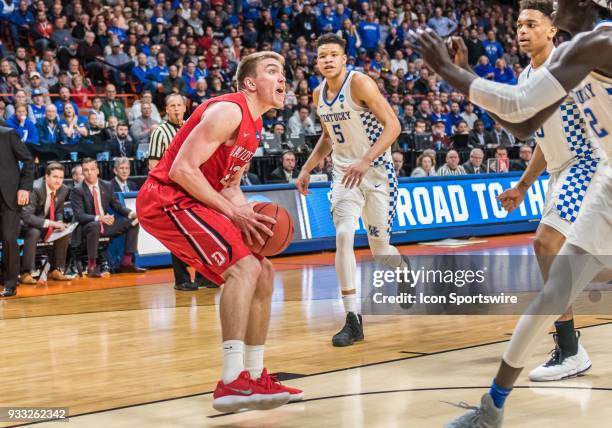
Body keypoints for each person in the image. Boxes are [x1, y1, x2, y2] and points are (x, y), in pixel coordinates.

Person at [411, 1, 612, 426]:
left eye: (556, 6)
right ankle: (493, 407)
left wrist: (451, 72)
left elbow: (520, 109)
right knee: (554, 288)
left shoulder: (600, 42)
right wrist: (465, 77)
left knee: (551, 253)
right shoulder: (566, 57)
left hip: (586, 164)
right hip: (605, 178)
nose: (555, 12)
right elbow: (522, 124)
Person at [136, 51, 302, 412]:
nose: (282, 79)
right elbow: (181, 169)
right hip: (167, 198)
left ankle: (255, 375)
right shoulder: (228, 111)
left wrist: (248, 216)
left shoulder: (254, 130)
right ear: (250, 83)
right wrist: (234, 215)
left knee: (264, 271)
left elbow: (228, 186)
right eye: (272, 71)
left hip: (196, 200)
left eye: (283, 72)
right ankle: (230, 381)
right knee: (243, 269)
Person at [296, 34, 410, 348]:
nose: (328, 60)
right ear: (316, 62)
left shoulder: (360, 84)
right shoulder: (318, 93)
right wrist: (306, 168)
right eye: (322, 56)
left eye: (334, 54)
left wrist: (366, 159)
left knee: (380, 251)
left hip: (377, 174)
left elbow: (393, 126)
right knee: (344, 235)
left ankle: (402, 270)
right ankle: (352, 318)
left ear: (345, 58)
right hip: (344, 175)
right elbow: (328, 137)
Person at [146, 94, 215, 291]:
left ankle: (204, 275)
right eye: (172, 105)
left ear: (185, 108)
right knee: (180, 235)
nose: (176, 108)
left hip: (194, 186)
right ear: (166, 110)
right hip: (173, 189)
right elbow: (153, 165)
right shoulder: (160, 132)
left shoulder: (192, 128)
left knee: (201, 231)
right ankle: (182, 279)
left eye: (179, 105)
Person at [70, 158, 144, 278]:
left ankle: (127, 262)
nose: (89, 172)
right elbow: (79, 216)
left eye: (92, 169)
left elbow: (116, 206)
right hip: (86, 228)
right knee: (95, 225)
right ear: (83, 173)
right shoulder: (77, 190)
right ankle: (92, 266)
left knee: (133, 222)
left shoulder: (107, 185)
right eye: (86, 170)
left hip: (105, 226)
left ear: (97, 171)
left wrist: (132, 213)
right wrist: (99, 218)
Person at [21, 162, 71, 283]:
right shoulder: (35, 188)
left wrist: (59, 222)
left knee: (64, 233)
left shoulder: (63, 189)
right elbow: (27, 216)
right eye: (55, 177)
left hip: (45, 224)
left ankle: (55, 269)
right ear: (46, 177)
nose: (58, 180)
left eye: (61, 177)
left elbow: (58, 210)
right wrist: (53, 224)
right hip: (25, 224)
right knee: (34, 232)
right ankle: (26, 272)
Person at [0, 120, 34, 297]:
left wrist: (25, 187)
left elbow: (29, 161)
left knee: (8, 238)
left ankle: (11, 283)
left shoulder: (8, 134)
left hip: (9, 198)